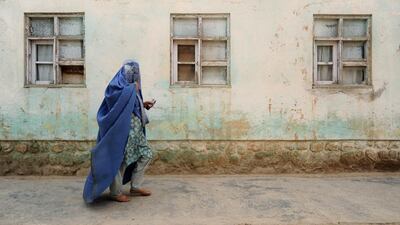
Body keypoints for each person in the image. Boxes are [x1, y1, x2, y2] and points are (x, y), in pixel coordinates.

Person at [83, 59, 155, 203]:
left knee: (146, 154)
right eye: (130, 71)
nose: (133, 74)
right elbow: (114, 102)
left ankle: (135, 186)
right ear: (123, 70)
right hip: (123, 131)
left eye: (136, 71)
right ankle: (115, 193)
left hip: (137, 131)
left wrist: (143, 104)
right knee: (119, 160)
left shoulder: (133, 87)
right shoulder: (116, 86)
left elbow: (132, 105)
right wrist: (131, 90)